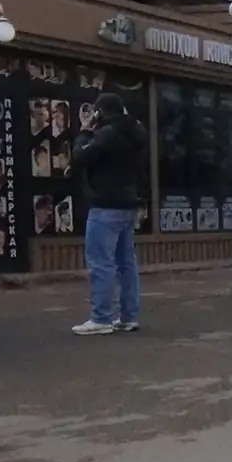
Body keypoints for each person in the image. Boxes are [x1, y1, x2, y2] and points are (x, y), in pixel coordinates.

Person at [70, 94, 146, 334]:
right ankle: (128, 316)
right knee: (126, 263)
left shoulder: (107, 133)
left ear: (100, 112)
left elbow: (81, 156)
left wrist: (84, 132)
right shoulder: (134, 132)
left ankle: (101, 318)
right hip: (127, 204)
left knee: (101, 261)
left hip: (105, 205)